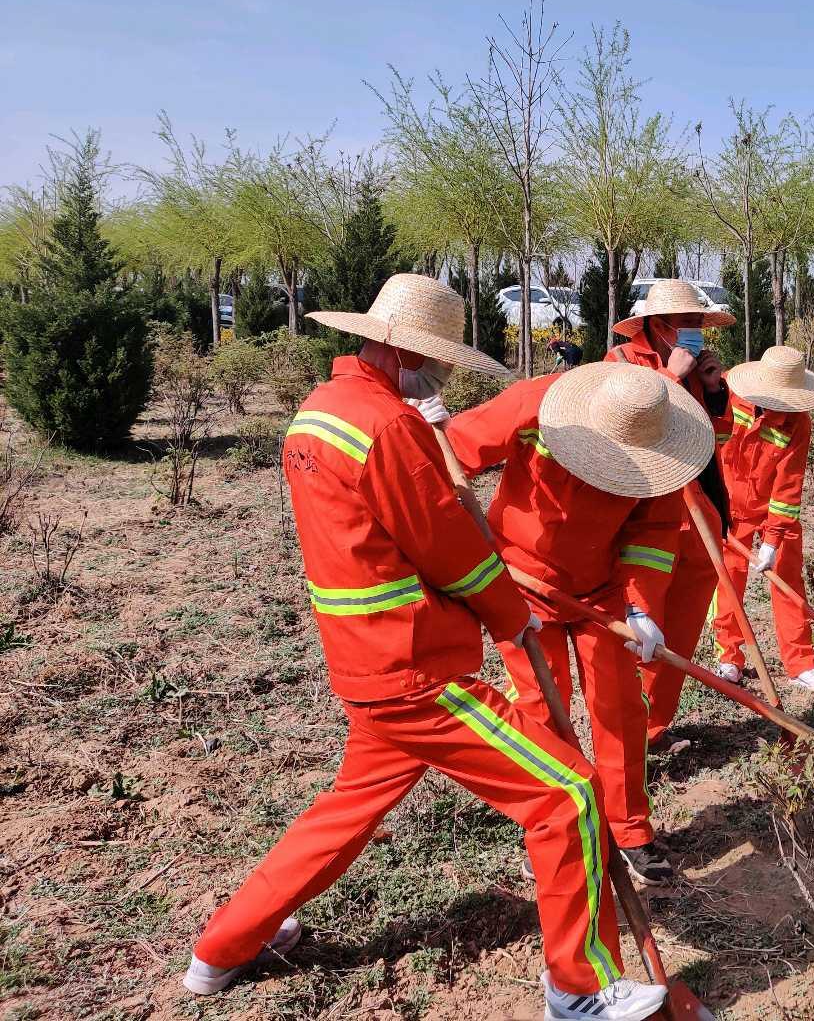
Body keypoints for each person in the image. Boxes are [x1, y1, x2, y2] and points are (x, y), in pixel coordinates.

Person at [182, 275, 666, 1021]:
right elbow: (449, 549)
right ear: (405, 351)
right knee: (567, 795)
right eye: (437, 360)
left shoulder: (322, 410)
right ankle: (578, 990)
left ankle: (220, 949)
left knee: (347, 811)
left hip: (363, 659)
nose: (442, 374)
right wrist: (511, 615)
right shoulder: (388, 428)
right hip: (415, 669)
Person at [443, 363, 714, 886]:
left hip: (603, 587)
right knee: (543, 708)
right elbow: (452, 455)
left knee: (620, 706)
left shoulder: (661, 443)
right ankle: (556, 831)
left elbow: (654, 533)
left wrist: (640, 607)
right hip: (522, 578)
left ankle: (629, 829)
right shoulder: (537, 403)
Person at [605, 280, 734, 755]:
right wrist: (671, 377)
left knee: (680, 633)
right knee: (642, 632)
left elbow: (716, 440)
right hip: (645, 521)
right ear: (656, 325)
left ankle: (655, 728)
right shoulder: (620, 363)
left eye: (699, 323)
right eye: (686, 323)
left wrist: (716, 392)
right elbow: (622, 433)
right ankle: (626, 740)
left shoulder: (701, 371)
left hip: (699, 516)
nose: (695, 332)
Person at [713, 345, 814, 692]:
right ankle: (729, 657)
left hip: (774, 513)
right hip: (729, 506)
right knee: (728, 580)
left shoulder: (798, 422)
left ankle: (801, 664)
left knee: (788, 581)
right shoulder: (727, 393)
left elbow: (789, 483)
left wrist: (772, 540)